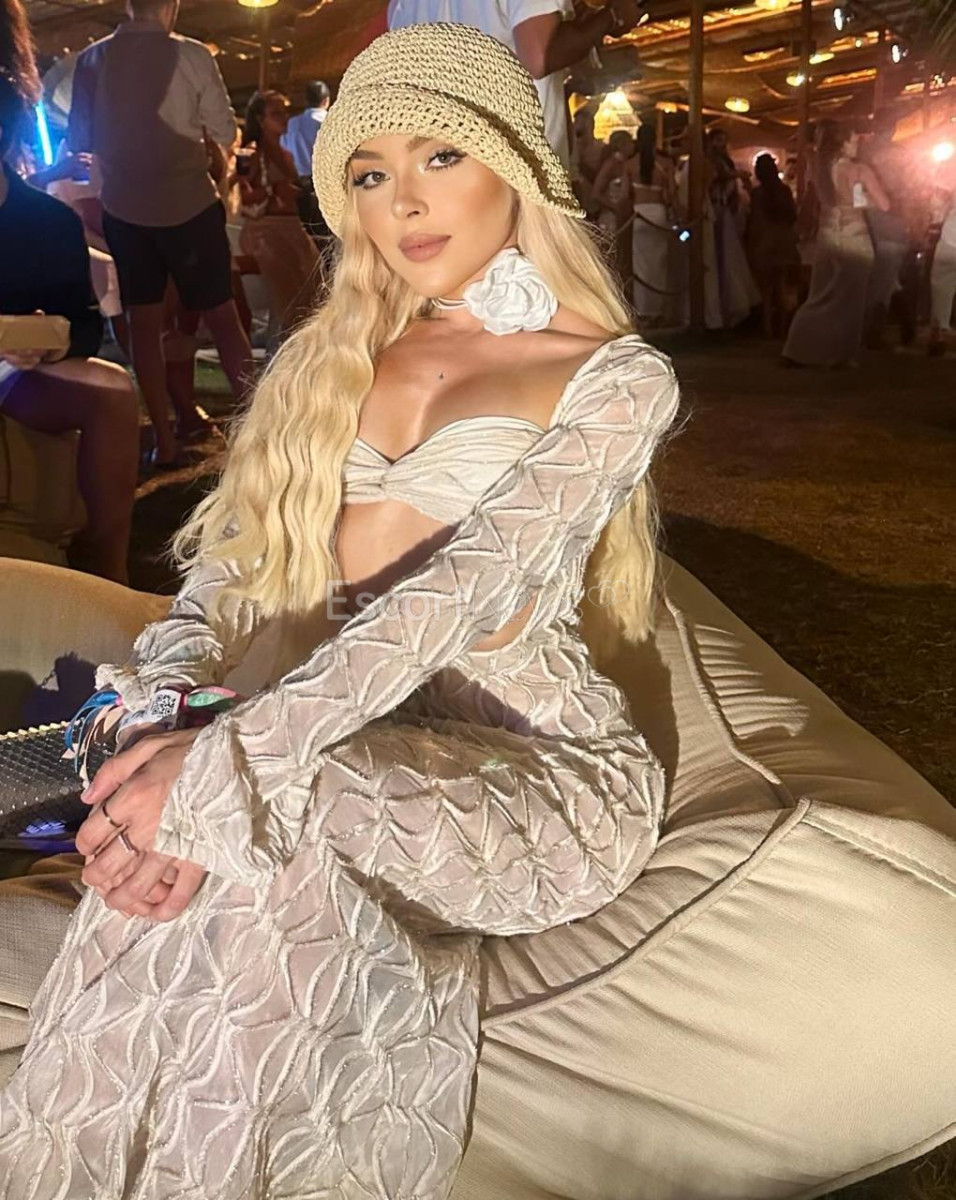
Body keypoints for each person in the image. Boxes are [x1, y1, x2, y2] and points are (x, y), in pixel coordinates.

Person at [0, 24, 680, 1197]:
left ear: (513, 164)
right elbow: (222, 586)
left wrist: (221, 767)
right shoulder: (327, 360)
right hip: (319, 738)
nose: (402, 200)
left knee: (265, 795)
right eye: (369, 172)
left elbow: (459, 597)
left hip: (533, 775)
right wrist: (156, 727)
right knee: (227, 811)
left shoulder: (614, 377)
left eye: (439, 156)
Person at [67, 0, 254, 469]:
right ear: (172, 5)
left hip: (125, 209)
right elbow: (224, 128)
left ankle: (164, 442)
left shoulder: (92, 59)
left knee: (143, 327)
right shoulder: (192, 54)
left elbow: (79, 139)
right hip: (190, 204)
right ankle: (257, 434)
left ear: (128, 5)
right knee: (224, 319)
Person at [0, 76, 139, 584]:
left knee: (113, 390)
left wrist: (48, 340)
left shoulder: (48, 220)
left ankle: (109, 574)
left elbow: (84, 324)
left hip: (18, 372)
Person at [387, 0, 647, 168]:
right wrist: (612, 16)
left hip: (442, 161)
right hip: (518, 166)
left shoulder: (401, 4)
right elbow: (539, 56)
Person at [783, 121, 890, 369]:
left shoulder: (819, 169)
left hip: (828, 235)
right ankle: (840, 354)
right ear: (842, 143)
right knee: (851, 300)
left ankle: (797, 347)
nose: (858, 142)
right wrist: (865, 200)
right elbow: (884, 205)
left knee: (819, 296)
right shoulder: (859, 170)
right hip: (855, 237)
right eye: (853, 138)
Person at [237, 89, 322, 340]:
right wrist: (273, 191)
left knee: (313, 298)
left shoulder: (285, 154)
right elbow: (241, 195)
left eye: (285, 112)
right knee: (287, 302)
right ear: (260, 119)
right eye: (276, 113)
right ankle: (280, 351)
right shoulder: (253, 154)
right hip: (268, 230)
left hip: (293, 230)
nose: (284, 118)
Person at [861, 112, 914, 349]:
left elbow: (858, 191)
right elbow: (911, 188)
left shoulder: (863, 153)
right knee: (885, 276)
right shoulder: (900, 154)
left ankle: (875, 330)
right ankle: (901, 320)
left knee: (880, 278)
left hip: (871, 217)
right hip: (893, 218)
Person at [705, 126, 759, 328]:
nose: (722, 145)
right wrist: (735, 175)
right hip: (715, 207)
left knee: (727, 255)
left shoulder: (725, 161)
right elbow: (716, 177)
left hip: (724, 208)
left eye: (724, 141)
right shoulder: (711, 162)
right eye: (718, 140)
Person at [745, 151, 799, 339]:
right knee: (781, 285)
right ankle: (782, 328)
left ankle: (767, 328)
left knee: (766, 290)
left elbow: (754, 221)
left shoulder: (758, 194)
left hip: (764, 241)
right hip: (783, 240)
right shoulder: (784, 191)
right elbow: (792, 216)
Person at [631, 120, 676, 326]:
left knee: (641, 265)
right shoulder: (665, 163)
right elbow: (672, 193)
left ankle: (643, 310)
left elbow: (625, 194)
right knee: (659, 264)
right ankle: (658, 311)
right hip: (658, 212)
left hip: (638, 213)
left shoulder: (630, 164)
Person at [591, 127, 635, 286]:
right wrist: (614, 207)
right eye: (630, 142)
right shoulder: (611, 164)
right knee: (613, 257)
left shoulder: (628, 165)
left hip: (625, 217)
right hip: (611, 218)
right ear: (622, 144)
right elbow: (596, 192)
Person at [927, 159, 956, 357]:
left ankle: (938, 334)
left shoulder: (951, 165)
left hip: (952, 238)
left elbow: (937, 202)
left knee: (941, 288)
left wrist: (934, 225)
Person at [281, 78, 330, 176]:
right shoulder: (331, 123)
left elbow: (283, 147)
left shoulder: (292, 123)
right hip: (326, 179)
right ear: (326, 101)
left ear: (306, 101)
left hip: (298, 180)